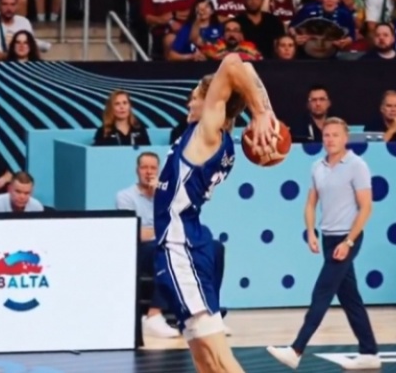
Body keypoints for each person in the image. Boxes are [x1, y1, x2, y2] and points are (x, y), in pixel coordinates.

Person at [153, 53, 282, 373]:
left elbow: (234, 61)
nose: (190, 102)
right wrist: (263, 110)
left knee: (220, 358)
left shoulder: (207, 134)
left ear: (214, 101)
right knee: (204, 358)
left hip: (181, 245)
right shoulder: (222, 143)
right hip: (188, 242)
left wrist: (262, 113)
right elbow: (246, 70)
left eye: (195, 96)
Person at [266, 117, 380, 371]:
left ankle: (296, 350)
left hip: (348, 238)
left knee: (322, 292)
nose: (330, 139)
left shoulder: (357, 166)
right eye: (327, 135)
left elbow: (366, 207)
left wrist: (349, 241)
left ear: (345, 137)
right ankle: (369, 352)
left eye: (335, 135)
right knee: (350, 298)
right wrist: (311, 231)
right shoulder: (317, 166)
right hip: (329, 238)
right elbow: (310, 203)